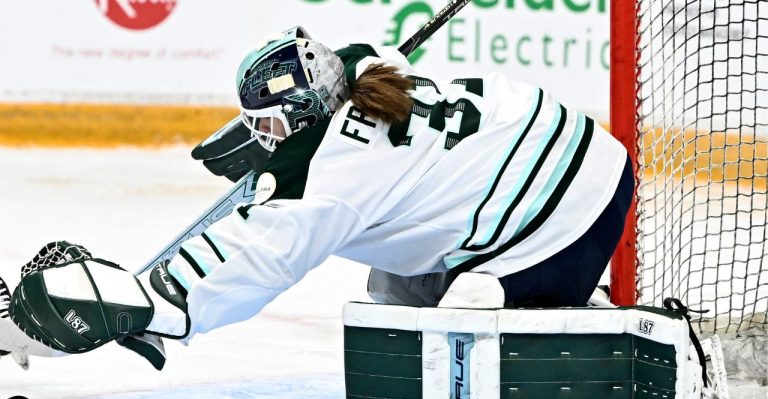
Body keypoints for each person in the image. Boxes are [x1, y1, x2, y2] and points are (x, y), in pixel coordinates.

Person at [6, 26, 633, 369]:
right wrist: (274, 144)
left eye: (270, 124)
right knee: (395, 301)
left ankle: (568, 304)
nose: (261, 136)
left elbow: (257, 256)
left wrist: (151, 305)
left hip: (566, 214)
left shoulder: (331, 180)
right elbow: (366, 57)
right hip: (561, 144)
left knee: (458, 337)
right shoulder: (363, 74)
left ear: (307, 111)